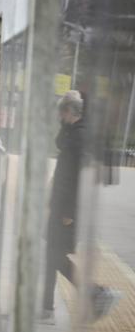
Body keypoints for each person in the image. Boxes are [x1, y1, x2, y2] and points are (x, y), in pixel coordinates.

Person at [40, 90, 120, 324]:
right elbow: (59, 143)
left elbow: (76, 178)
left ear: (67, 112)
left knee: (55, 256)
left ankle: (97, 293)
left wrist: (67, 212)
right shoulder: (73, 133)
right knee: (52, 256)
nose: (58, 117)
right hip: (62, 207)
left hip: (66, 211)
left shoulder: (79, 136)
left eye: (60, 113)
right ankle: (48, 308)